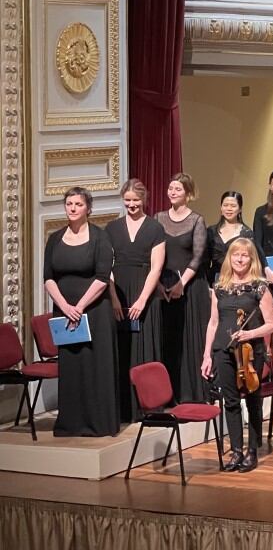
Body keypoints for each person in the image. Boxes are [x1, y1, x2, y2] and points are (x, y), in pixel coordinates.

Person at [43, 187, 119, 436]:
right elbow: (48, 278)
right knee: (72, 366)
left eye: (78, 204)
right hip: (65, 312)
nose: (73, 208)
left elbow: (101, 277)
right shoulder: (55, 239)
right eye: (69, 204)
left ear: (88, 208)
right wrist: (64, 307)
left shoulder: (100, 237)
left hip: (94, 311)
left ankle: (98, 423)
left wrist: (80, 306)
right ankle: (71, 423)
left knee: (94, 366)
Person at [200, 238, 273, 472]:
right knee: (230, 401)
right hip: (223, 349)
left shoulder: (259, 287)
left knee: (252, 400)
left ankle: (252, 450)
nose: (240, 259)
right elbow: (213, 323)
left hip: (251, 351)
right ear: (229, 258)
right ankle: (236, 451)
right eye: (235, 255)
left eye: (244, 255)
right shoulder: (220, 287)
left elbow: (271, 324)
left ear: (251, 259)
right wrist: (207, 355)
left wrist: (250, 333)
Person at [106, 179, 165, 423]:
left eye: (135, 200)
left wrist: (141, 300)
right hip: (118, 292)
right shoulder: (111, 228)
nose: (131, 205)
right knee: (121, 349)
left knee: (145, 348)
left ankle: (147, 406)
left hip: (145, 295)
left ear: (144, 200)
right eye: (127, 200)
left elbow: (156, 268)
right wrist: (113, 299)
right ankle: (123, 408)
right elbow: (106, 266)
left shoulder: (154, 228)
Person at [156, 173, 211, 403]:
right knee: (168, 339)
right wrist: (158, 284)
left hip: (190, 287)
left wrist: (181, 284)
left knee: (190, 341)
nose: (173, 192)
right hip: (163, 288)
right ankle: (169, 394)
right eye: (170, 188)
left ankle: (192, 394)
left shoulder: (197, 220)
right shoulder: (158, 218)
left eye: (178, 189)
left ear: (188, 193)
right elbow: (153, 253)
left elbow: (198, 257)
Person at [205, 191, 258, 283]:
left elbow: (252, 261)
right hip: (213, 280)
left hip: (237, 280)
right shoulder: (211, 231)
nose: (229, 209)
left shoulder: (247, 233)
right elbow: (205, 261)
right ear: (221, 208)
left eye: (233, 206)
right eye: (225, 205)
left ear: (240, 209)